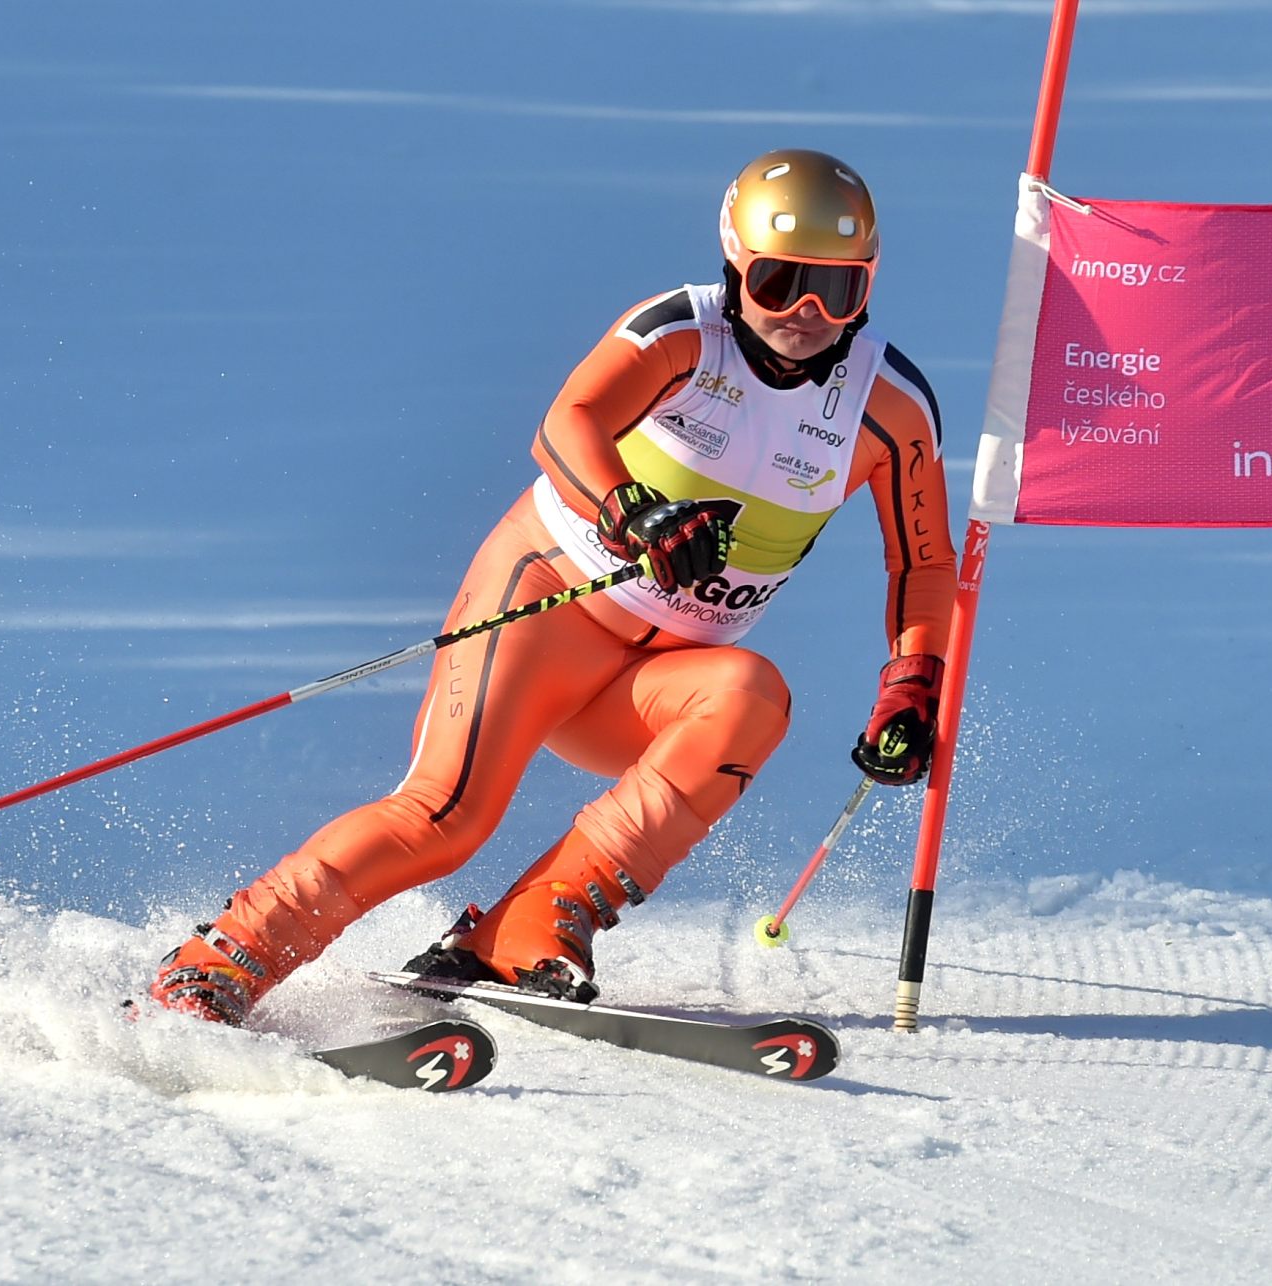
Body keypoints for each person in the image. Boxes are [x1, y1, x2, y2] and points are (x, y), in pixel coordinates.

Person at [148, 148, 957, 1024]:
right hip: (547, 608)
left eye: (837, 290)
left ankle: (527, 924)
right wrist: (634, 511)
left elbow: (923, 561)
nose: (806, 312)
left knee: (753, 697)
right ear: (734, 269)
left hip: (658, 674)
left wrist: (913, 682)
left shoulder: (890, 406)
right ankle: (223, 960)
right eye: (779, 281)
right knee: (444, 819)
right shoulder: (678, 335)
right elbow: (565, 423)